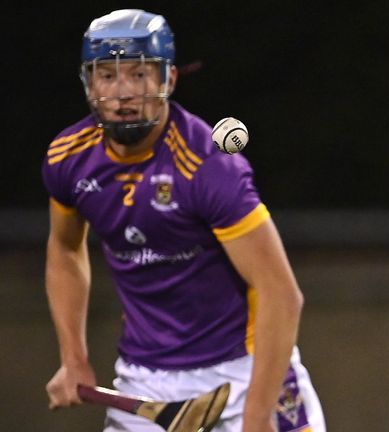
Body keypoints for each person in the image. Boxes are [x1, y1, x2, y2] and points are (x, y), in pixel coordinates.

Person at [42, 9, 325, 432]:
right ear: (89, 83)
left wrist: (257, 416)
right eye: (107, 75)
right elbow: (65, 249)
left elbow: (281, 294)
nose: (123, 93)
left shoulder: (208, 166)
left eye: (139, 75)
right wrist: (73, 358)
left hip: (244, 372)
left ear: (169, 80)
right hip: (144, 383)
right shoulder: (69, 158)